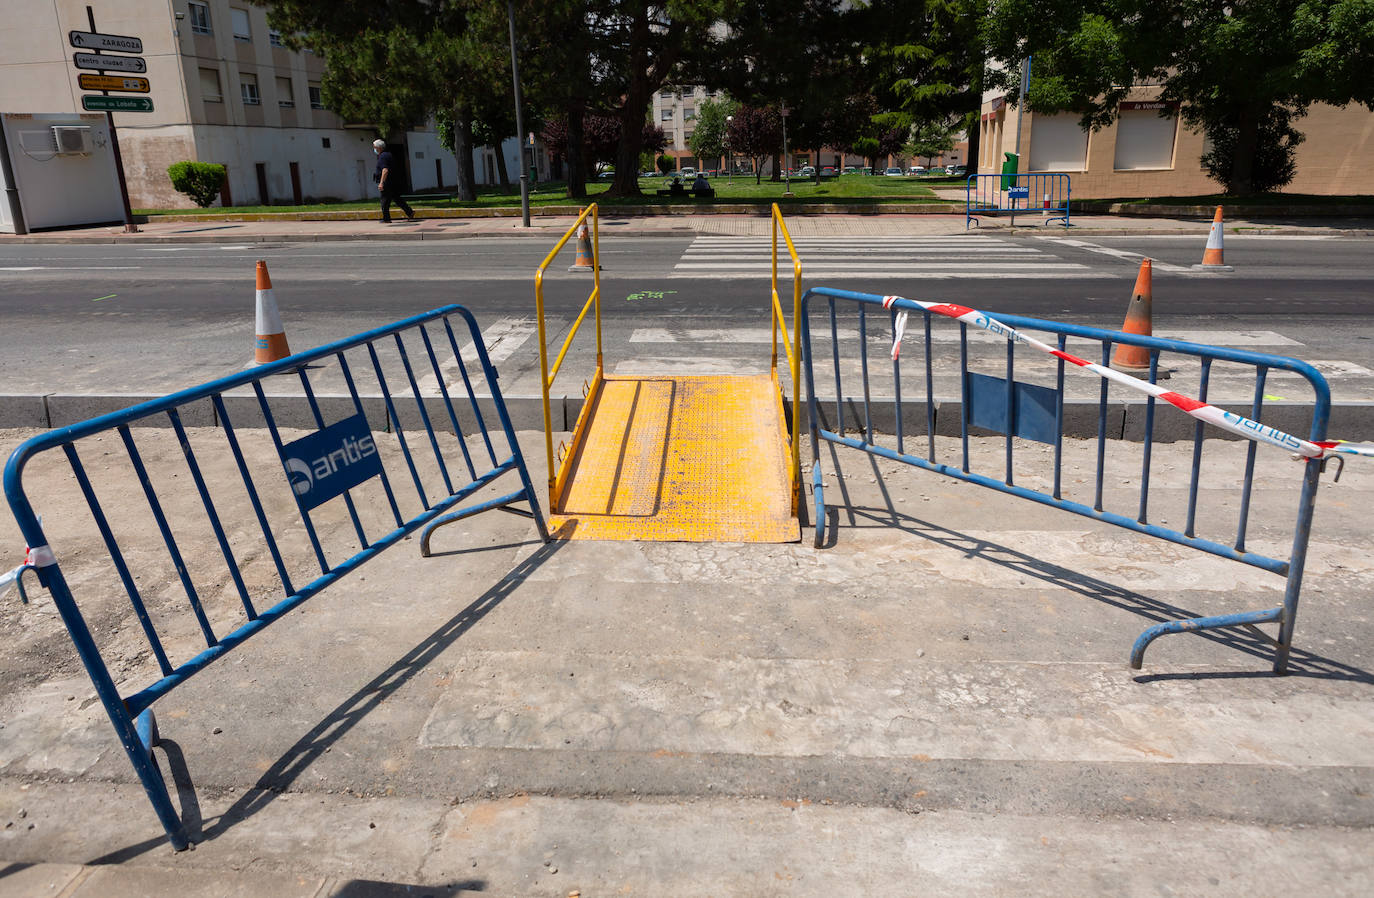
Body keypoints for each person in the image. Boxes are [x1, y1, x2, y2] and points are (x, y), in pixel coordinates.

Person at [372, 138, 414, 223]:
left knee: (384, 201)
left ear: (378, 148)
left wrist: (381, 183)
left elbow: (385, 170)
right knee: (397, 199)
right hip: (392, 182)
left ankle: (386, 219)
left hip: (387, 182)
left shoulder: (382, 156)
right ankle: (410, 212)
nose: (374, 149)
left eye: (374, 147)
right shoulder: (388, 154)